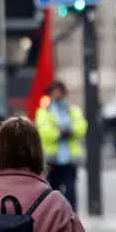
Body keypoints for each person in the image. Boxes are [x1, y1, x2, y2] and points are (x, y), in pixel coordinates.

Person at [35, 81, 87, 209]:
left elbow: (82, 127)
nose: (57, 95)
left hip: (70, 158)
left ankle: (71, 217)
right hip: (52, 159)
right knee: (52, 191)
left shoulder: (74, 110)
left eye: (60, 92)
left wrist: (68, 130)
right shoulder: (43, 112)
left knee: (70, 191)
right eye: (54, 92)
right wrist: (60, 133)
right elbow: (43, 131)